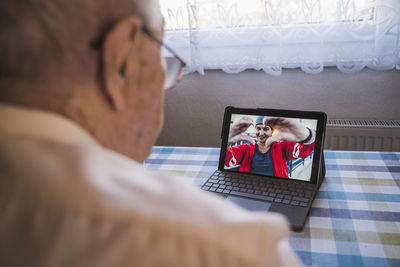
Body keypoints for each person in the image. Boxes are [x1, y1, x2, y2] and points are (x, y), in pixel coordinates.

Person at [0, 0, 301, 266]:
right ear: (122, 62)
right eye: (162, 52)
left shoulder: (279, 149)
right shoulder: (232, 250)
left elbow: (301, 142)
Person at [225, 116, 315, 178]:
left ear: (272, 132)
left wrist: (305, 135)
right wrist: (227, 142)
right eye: (258, 128)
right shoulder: (246, 149)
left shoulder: (281, 147)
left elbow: (302, 151)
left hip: (277, 190)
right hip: (248, 188)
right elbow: (227, 160)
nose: (261, 133)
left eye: (266, 129)